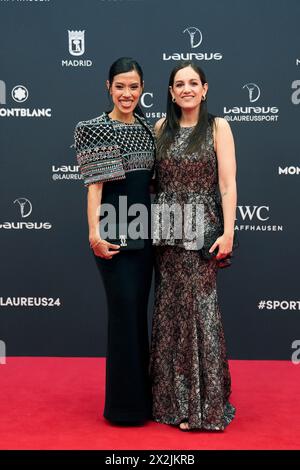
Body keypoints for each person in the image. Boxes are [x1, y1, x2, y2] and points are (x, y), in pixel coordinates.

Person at [149, 62, 237, 431]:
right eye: (178, 84)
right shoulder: (160, 129)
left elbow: (228, 185)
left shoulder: (218, 127)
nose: (186, 89)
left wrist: (229, 232)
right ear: (170, 92)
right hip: (167, 231)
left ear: (205, 89)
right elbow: (152, 183)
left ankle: (203, 406)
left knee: (200, 311)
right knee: (170, 313)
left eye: (192, 83)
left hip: (202, 231)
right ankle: (174, 405)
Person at [74, 57, 155, 425]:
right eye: (120, 86)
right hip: (112, 233)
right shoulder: (94, 128)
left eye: (133, 86)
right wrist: (94, 233)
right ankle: (122, 408)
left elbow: (151, 186)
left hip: (145, 234)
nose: (127, 93)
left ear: (142, 89)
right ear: (108, 87)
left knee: (137, 315)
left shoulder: (147, 130)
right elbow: (95, 188)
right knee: (123, 315)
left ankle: (142, 401)